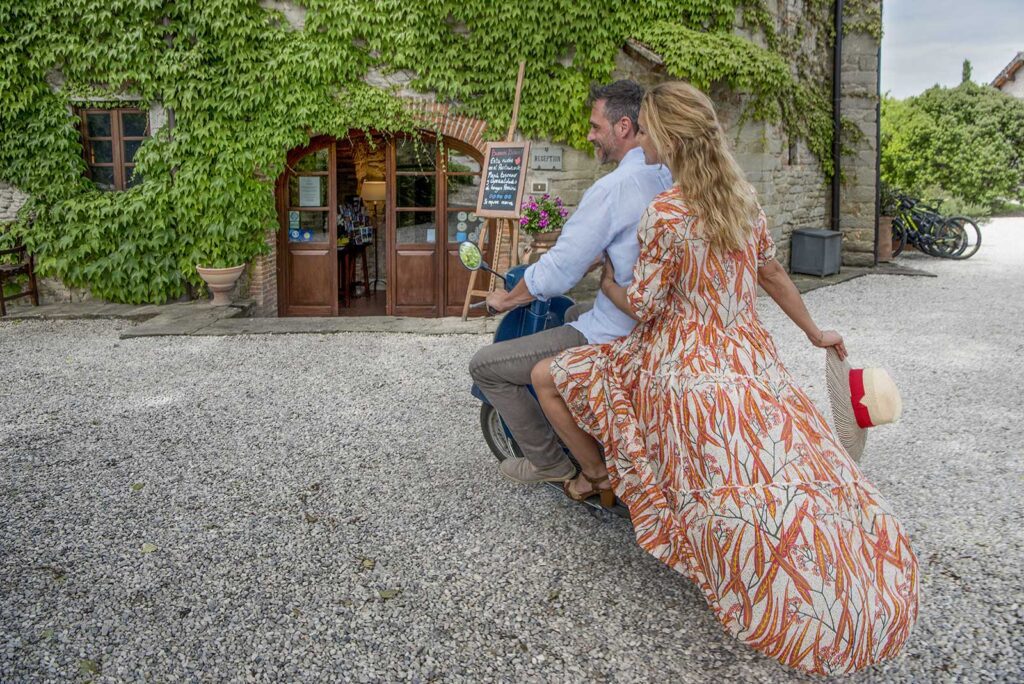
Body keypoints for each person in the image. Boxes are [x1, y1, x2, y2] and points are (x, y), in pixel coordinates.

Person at [531, 81, 918, 675]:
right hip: (750, 360)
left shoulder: (664, 214)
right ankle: (837, 575)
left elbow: (648, 309)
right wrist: (815, 332)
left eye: (650, 130)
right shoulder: (742, 198)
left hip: (680, 365)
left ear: (665, 136)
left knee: (554, 374)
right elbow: (772, 274)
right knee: (796, 475)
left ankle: (600, 476)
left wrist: (606, 283)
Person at [469, 80, 672, 484]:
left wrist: (508, 300)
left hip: (619, 330)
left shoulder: (612, 188)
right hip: (654, 323)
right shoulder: (664, 175)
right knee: (577, 310)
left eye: (596, 127)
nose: (589, 135)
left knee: (485, 367)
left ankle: (550, 463)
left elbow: (560, 268)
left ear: (624, 127)